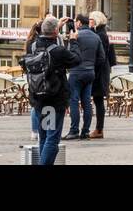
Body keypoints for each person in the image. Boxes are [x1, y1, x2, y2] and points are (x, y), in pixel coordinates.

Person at [23, 15, 81, 165]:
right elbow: (76, 60)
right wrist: (73, 41)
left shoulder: (32, 46)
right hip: (54, 99)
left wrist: (55, 27)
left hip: (38, 97)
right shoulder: (59, 51)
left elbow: (45, 35)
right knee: (52, 139)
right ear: (56, 32)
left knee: (44, 137)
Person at [66, 13, 105, 141]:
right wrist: (91, 65)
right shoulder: (96, 37)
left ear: (78, 23)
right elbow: (102, 58)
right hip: (90, 73)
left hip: (76, 72)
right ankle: (85, 131)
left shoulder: (76, 36)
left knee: (74, 100)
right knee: (87, 102)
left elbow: (70, 54)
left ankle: (74, 130)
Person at [89, 11, 116, 140]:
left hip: (100, 72)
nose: (90, 21)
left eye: (91, 19)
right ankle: (98, 128)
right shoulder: (100, 33)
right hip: (101, 71)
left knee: (98, 101)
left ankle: (99, 129)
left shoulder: (100, 35)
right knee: (97, 100)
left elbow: (101, 55)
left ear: (97, 20)